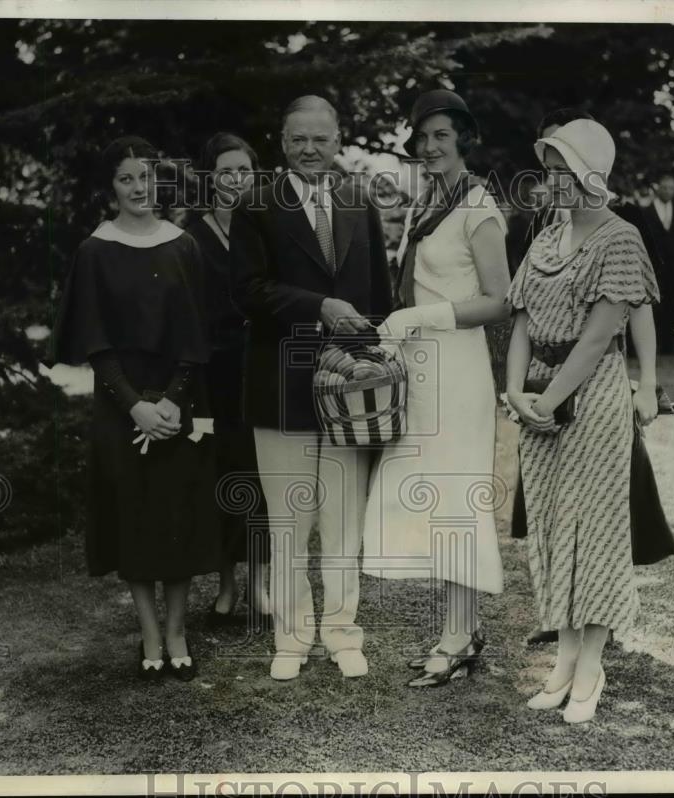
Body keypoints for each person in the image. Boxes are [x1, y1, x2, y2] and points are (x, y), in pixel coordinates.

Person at [229, 96, 393, 681]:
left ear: (338, 138)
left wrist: (376, 361)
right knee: (289, 521)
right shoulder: (255, 204)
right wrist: (318, 307)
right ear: (282, 140)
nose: (309, 149)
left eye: (321, 139)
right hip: (281, 383)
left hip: (352, 388)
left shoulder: (357, 199)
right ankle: (292, 639)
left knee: (345, 518)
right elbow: (246, 291)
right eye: (298, 139)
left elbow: (380, 294)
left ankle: (344, 634)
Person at [47, 136, 221, 682]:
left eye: (146, 178)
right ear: (111, 188)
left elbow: (197, 334)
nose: (139, 189)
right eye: (127, 179)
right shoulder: (94, 251)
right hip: (120, 405)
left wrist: (171, 401)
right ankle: (148, 634)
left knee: (177, 517)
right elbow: (96, 344)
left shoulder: (183, 246)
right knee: (135, 520)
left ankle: (177, 632)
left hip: (180, 402)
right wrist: (135, 408)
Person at [506, 119, 659, 723]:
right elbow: (518, 320)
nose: (553, 183)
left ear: (593, 175)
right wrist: (515, 390)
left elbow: (599, 338)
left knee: (593, 530)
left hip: (591, 399)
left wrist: (548, 401)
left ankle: (591, 664)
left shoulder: (621, 239)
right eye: (549, 171)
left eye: (565, 171)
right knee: (550, 526)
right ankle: (564, 659)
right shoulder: (546, 238)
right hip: (539, 396)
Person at [362, 89, 511, 687]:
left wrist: (419, 320)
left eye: (441, 137)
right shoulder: (428, 203)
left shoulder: (479, 207)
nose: (429, 148)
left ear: (463, 140)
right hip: (423, 370)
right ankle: (463, 630)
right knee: (434, 498)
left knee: (455, 499)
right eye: (421, 138)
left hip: (459, 370)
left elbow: (498, 301)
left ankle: (455, 639)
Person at [187, 132, 271, 627]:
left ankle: (259, 583)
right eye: (226, 171)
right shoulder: (192, 238)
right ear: (210, 179)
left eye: (244, 170)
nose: (236, 179)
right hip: (214, 375)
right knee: (221, 476)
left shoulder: (268, 227)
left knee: (262, 478)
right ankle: (225, 585)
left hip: (260, 367)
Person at [640, 173, 674, 355]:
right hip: (653, 267)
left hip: (673, 268)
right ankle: (653, 343)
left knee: (671, 304)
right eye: (665, 187)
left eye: (671, 188)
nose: (668, 191)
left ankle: (669, 343)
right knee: (653, 306)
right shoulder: (646, 212)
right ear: (657, 188)